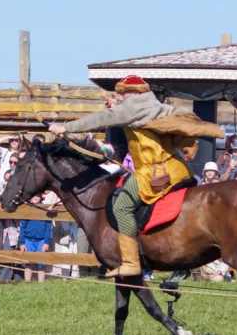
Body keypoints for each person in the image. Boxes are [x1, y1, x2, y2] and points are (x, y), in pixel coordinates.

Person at [48, 75, 184, 278]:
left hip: (154, 172)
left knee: (121, 205)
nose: (120, 97)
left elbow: (101, 119)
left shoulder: (132, 108)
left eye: (123, 93)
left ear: (136, 93)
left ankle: (130, 262)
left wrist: (65, 127)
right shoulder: (159, 106)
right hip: (177, 168)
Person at [18, 198, 53, 283]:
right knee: (28, 262)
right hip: (28, 239)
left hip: (41, 240)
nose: (35, 197)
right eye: (33, 196)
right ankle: (27, 282)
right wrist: (22, 242)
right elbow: (22, 228)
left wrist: (46, 242)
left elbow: (48, 228)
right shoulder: (27, 209)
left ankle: (41, 284)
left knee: (41, 263)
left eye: (37, 196)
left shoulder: (45, 208)